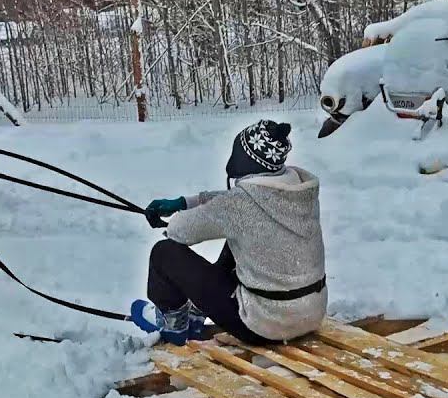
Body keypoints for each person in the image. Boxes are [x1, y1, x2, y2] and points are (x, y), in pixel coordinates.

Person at [130, 119, 327, 345]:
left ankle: (171, 324)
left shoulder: (239, 206)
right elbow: (238, 203)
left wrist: (174, 218)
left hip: (265, 326)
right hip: (310, 314)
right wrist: (185, 202)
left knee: (163, 253)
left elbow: (179, 231)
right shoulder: (298, 192)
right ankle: (196, 314)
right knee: (242, 238)